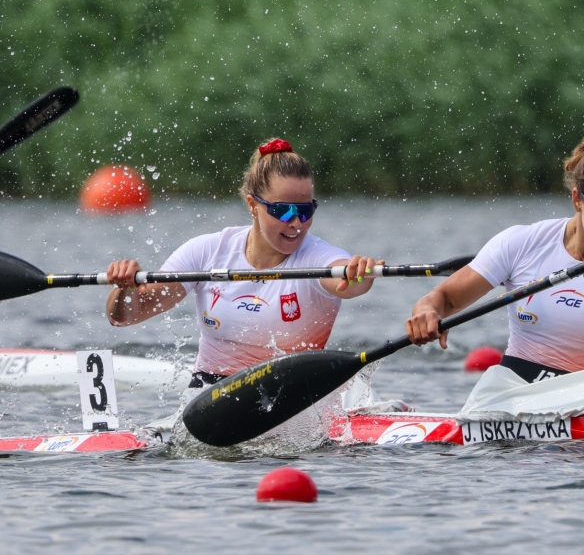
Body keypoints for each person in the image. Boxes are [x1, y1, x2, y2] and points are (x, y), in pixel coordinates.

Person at [405, 129, 584, 383]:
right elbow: (445, 299)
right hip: (517, 389)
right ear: (578, 200)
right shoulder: (522, 243)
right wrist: (426, 313)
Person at [106, 138, 381, 389]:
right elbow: (125, 316)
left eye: (306, 210)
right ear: (252, 204)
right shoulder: (207, 251)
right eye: (283, 210)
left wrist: (360, 275)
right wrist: (124, 287)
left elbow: (348, 284)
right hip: (211, 393)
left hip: (293, 393)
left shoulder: (318, 257)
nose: (297, 223)